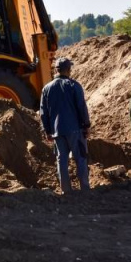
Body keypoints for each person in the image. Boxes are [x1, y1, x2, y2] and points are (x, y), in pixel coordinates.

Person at [39, 57, 91, 195]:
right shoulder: (74, 85)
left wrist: (47, 131)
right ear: (68, 70)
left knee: (61, 159)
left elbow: (43, 113)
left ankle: (65, 190)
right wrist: (86, 125)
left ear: (56, 70)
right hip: (75, 130)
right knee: (80, 157)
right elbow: (81, 107)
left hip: (57, 131)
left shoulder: (46, 88)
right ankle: (85, 189)